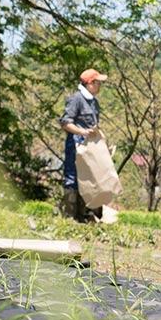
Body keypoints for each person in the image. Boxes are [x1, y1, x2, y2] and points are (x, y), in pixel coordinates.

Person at [59, 68, 106, 218]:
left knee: (90, 178)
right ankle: (70, 216)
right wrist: (82, 132)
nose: (100, 86)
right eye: (98, 83)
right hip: (75, 144)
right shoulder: (76, 99)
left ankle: (86, 215)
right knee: (72, 177)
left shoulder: (94, 102)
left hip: (90, 146)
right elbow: (65, 123)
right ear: (90, 83)